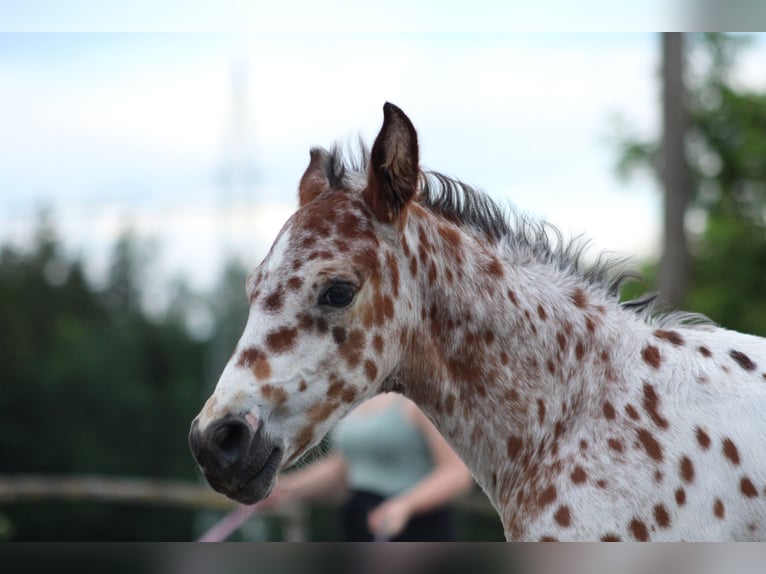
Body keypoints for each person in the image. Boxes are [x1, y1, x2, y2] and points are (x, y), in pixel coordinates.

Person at [261, 392, 475, 541]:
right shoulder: (355, 399)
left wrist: (405, 506)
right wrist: (287, 488)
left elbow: (457, 473)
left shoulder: (423, 399)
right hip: (358, 522)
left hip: (417, 528)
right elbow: (343, 465)